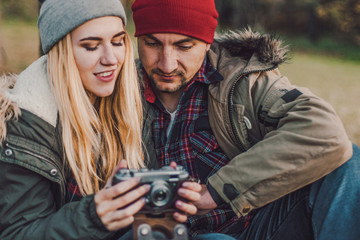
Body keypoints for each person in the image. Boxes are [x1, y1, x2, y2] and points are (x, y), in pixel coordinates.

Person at [131, 0, 360, 239]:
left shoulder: (243, 81)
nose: (167, 63)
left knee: (346, 161)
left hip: (260, 225)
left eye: (184, 46)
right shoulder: (119, 95)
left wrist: (215, 192)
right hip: (175, 234)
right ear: (137, 40)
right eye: (152, 43)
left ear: (208, 42)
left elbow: (324, 131)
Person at [0, 0, 203, 239]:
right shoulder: (28, 122)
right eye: (91, 46)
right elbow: (17, 233)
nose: (111, 59)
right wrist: (92, 217)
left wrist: (166, 202)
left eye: (117, 42)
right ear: (61, 52)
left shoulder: (131, 101)